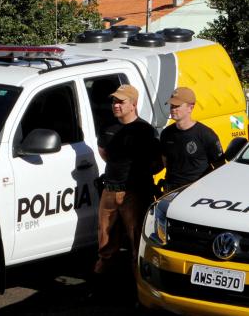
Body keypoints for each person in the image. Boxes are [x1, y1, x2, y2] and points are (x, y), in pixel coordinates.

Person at [94, 84, 162, 275]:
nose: (116, 105)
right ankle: (100, 286)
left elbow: (158, 162)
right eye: (114, 101)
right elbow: (104, 153)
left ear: (133, 104)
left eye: (121, 102)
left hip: (134, 193)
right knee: (105, 242)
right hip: (109, 190)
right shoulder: (107, 127)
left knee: (136, 243)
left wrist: (135, 179)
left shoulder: (144, 130)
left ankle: (138, 293)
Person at [160, 87, 224, 192]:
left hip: (197, 192)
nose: (173, 109)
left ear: (190, 107)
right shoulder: (166, 134)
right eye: (172, 105)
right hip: (171, 191)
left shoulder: (206, 134)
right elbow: (165, 161)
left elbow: (220, 166)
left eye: (177, 106)